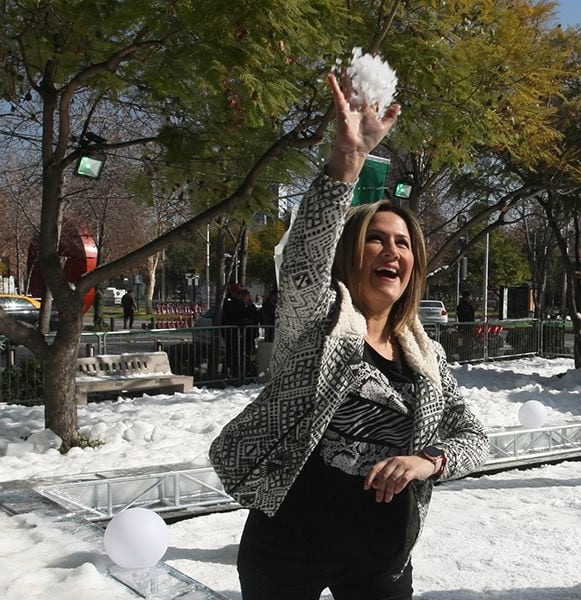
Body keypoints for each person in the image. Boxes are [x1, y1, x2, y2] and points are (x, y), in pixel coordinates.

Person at [210, 72, 488, 600]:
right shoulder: (318, 321)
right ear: (352, 253)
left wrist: (428, 461)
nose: (392, 252)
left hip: (380, 559)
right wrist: (347, 162)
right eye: (376, 240)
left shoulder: (425, 356)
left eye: (403, 244)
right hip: (287, 550)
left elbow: (473, 437)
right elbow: (303, 264)